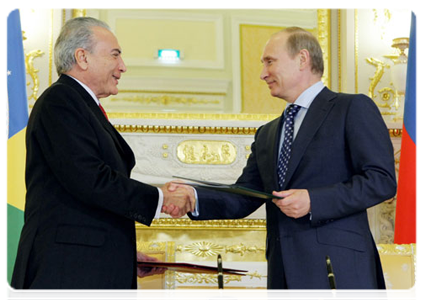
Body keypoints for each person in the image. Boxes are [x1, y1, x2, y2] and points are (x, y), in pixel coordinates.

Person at [166, 27, 397, 300]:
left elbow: (381, 181)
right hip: (283, 277)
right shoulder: (268, 133)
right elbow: (245, 196)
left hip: (338, 271)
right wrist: (193, 197)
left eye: (269, 61)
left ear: (302, 59)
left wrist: (314, 200)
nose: (263, 73)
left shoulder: (351, 108)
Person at [9, 17, 193, 300]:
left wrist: (122, 255)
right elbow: (90, 179)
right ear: (82, 57)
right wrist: (160, 199)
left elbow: (84, 202)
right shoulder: (61, 101)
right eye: (115, 55)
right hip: (65, 276)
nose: (123, 66)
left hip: (82, 271)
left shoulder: (80, 105)